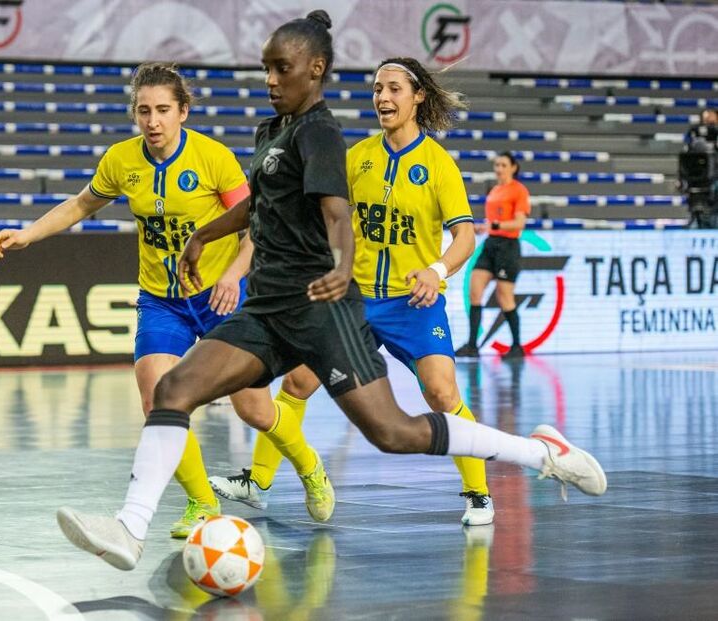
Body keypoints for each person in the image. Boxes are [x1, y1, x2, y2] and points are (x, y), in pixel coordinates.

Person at [54, 10, 606, 572]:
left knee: (395, 432)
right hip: (268, 308)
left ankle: (543, 454)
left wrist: (344, 263)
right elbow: (261, 203)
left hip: (321, 308)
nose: (270, 79)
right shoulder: (274, 131)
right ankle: (131, 527)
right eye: (266, 69)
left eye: (281, 68)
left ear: (314, 71)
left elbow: (335, 209)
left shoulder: (320, 131)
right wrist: (203, 234)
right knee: (173, 388)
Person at [0, 63, 334, 539]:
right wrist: (28, 235)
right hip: (162, 299)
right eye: (144, 111)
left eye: (163, 111)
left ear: (183, 112)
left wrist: (235, 276)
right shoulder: (121, 160)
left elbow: (259, 221)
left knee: (253, 409)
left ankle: (309, 464)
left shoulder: (212, 159)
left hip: (221, 296)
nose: (153, 121)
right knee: (157, 395)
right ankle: (201, 502)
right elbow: (79, 205)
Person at [210, 57, 496, 526]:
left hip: (413, 302)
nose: (382, 97)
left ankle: (478, 493)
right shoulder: (356, 157)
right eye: (377, 88)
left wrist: (436, 270)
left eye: (393, 89)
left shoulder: (439, 165)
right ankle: (258, 483)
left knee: (442, 393)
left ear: (418, 96)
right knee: (299, 381)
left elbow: (465, 236)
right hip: (354, 299)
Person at [455, 152, 531, 359]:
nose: (499, 168)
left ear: (513, 167)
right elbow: (493, 222)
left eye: (503, 165)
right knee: (475, 291)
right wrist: (485, 228)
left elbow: (519, 224)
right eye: (496, 165)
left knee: (505, 297)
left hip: (508, 245)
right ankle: (472, 345)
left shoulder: (518, 190)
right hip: (491, 243)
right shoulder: (495, 190)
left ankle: (517, 346)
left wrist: (495, 225)